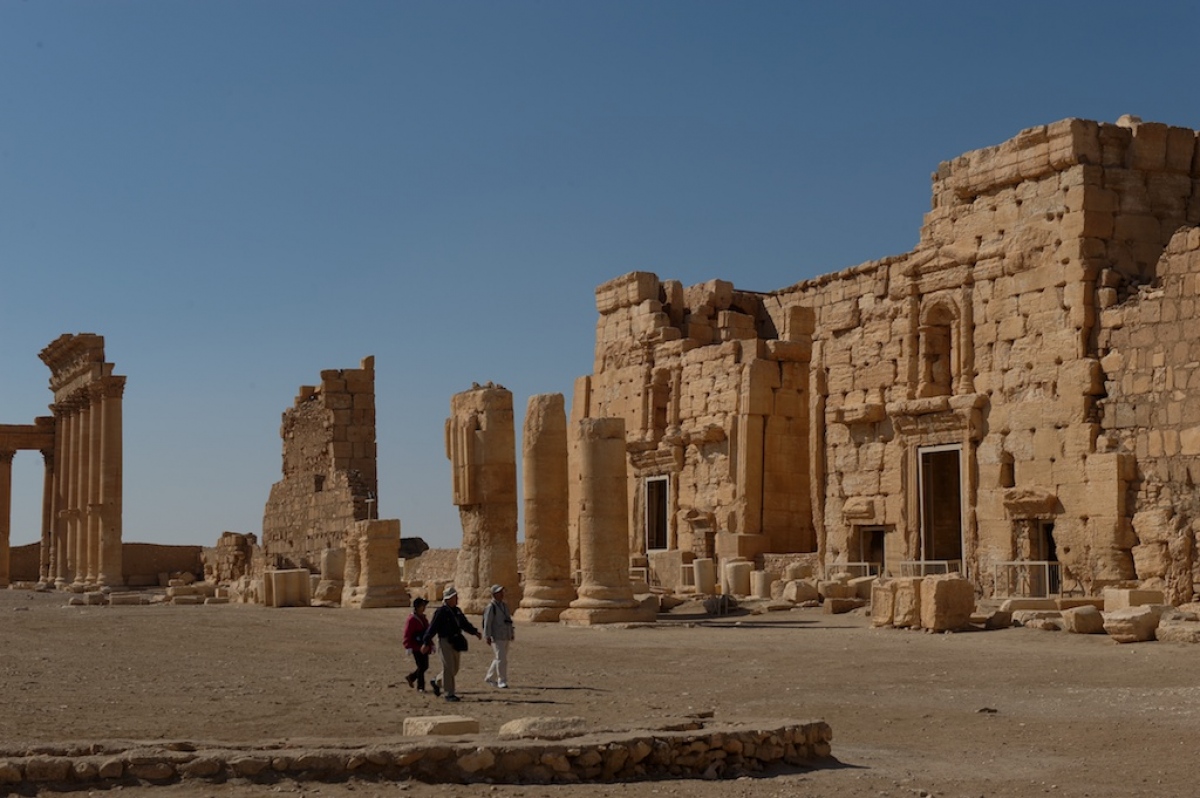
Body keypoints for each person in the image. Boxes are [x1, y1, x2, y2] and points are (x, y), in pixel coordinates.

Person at [421, 586, 481, 702]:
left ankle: (437, 681)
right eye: (454, 597)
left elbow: (464, 624)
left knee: (454, 669)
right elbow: (433, 628)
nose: (457, 599)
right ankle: (449, 693)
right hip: (445, 642)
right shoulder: (441, 612)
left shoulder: (457, 611)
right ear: (448, 599)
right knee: (448, 667)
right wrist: (426, 642)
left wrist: (474, 632)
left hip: (456, 642)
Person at [481, 584, 514, 688]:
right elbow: (487, 622)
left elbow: (508, 620)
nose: (502, 594)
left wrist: (511, 633)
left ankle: (490, 677)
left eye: (502, 592)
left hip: (505, 634)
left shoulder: (504, 606)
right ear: (494, 594)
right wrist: (487, 636)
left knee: (500, 658)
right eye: (499, 592)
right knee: (501, 659)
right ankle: (501, 680)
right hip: (497, 636)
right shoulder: (491, 607)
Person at [402, 597, 433, 693]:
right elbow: (407, 633)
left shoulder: (423, 618)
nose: (424, 608)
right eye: (422, 606)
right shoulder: (411, 619)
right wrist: (408, 646)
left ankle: (411, 677)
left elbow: (428, 632)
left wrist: (431, 644)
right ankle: (420, 687)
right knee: (421, 666)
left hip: (424, 645)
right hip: (416, 646)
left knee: (425, 666)